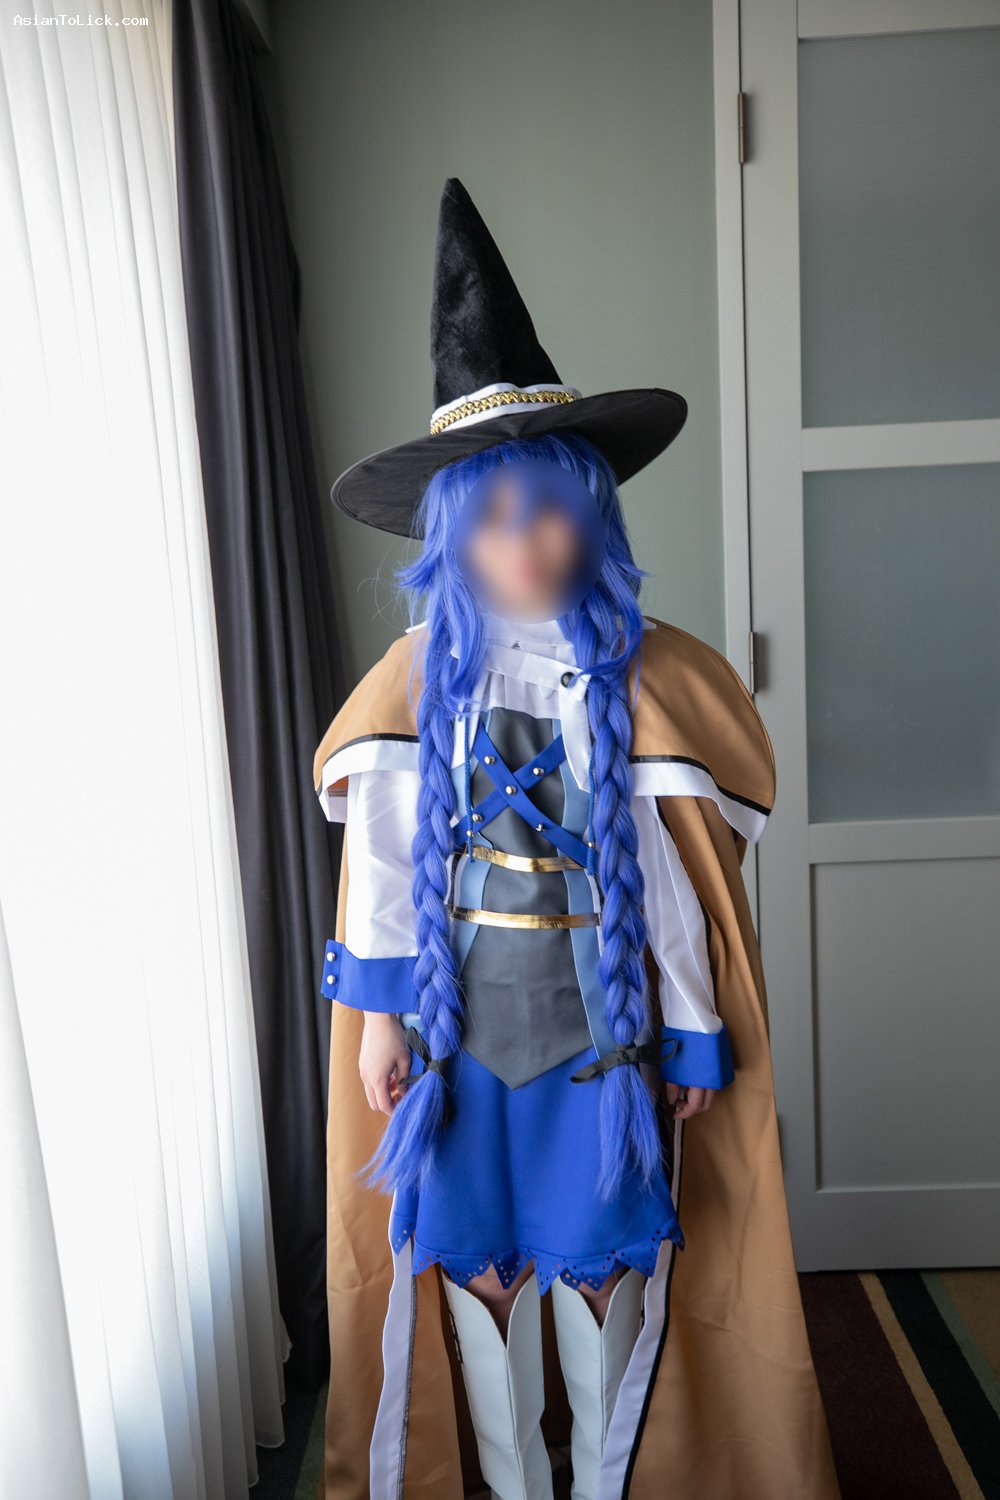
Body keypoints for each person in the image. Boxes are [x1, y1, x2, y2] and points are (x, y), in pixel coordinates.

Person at [313, 178, 841, 1500]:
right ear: (450, 532)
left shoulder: (646, 674)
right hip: (460, 1048)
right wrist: (378, 1022)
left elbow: (667, 878)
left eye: (548, 507)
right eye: (491, 517)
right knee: (484, 1284)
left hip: (605, 1051)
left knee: (605, 1283)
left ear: (593, 508)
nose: (526, 542)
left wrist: (694, 1027)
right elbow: (385, 865)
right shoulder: (415, 678)